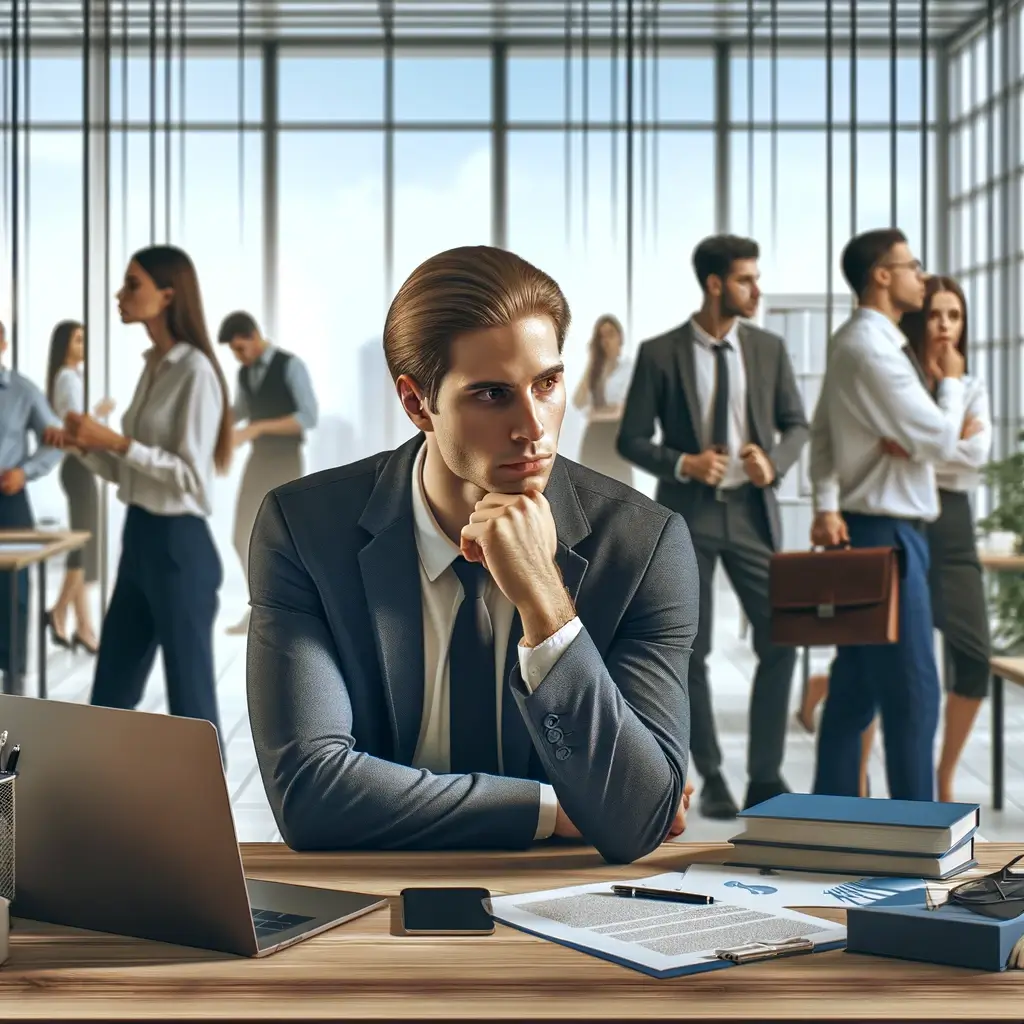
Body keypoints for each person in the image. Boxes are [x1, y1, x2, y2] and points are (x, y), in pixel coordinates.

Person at [246, 245, 698, 861]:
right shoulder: (305, 530)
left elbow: (639, 818)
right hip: (367, 898)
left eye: (548, 383)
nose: (534, 428)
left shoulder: (644, 545)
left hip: (566, 906)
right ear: (416, 403)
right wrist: (547, 807)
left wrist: (545, 602)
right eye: (492, 394)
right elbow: (311, 794)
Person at [616, 234, 808, 819]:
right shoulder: (660, 352)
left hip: (751, 514)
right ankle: (713, 774)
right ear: (716, 284)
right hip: (688, 515)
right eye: (748, 279)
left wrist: (772, 462)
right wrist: (683, 463)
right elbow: (630, 438)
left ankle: (766, 776)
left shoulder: (769, 350)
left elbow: (797, 423)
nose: (758, 289)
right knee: (689, 650)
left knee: (781, 639)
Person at [805, 277, 992, 803]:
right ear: (885, 278)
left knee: (854, 691)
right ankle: (918, 834)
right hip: (890, 533)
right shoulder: (882, 356)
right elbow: (940, 439)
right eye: (933, 310)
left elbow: (963, 452)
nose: (943, 324)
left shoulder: (859, 346)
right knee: (913, 693)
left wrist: (914, 446)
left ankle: (830, 822)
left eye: (953, 315)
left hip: (883, 530)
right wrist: (948, 394)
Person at [45, 245, 233, 756]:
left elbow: (192, 480)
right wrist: (84, 447)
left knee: (192, 709)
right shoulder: (153, 367)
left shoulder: (194, 371)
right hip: (141, 539)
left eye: (132, 284)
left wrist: (116, 442)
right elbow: (129, 471)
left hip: (179, 549)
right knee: (111, 695)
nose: (120, 294)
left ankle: (207, 829)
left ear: (167, 295)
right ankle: (97, 816)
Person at [218, 311, 318, 635]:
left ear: (255, 335)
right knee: (241, 534)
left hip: (285, 458)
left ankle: (289, 612)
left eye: (240, 349)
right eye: (233, 351)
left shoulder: (290, 366)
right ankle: (259, 607)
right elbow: (241, 411)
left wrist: (257, 428)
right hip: (258, 459)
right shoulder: (245, 374)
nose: (239, 357)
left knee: (281, 537)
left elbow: (307, 417)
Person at [44, 319, 115, 655]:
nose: (83, 346)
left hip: (79, 467)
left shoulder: (72, 378)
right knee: (83, 546)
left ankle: (84, 627)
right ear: (64, 345)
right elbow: (76, 433)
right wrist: (98, 418)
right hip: (78, 466)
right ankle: (59, 611)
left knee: (84, 546)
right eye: (77, 340)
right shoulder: (67, 379)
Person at [0, 320, 62, 694]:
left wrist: (25, 472)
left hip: (8, 502)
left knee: (13, 594)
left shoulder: (23, 391)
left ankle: (14, 684)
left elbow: (53, 439)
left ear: (3, 344)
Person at [572, 314, 635, 487]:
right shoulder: (595, 372)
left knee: (621, 493)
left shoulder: (628, 369)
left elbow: (623, 411)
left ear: (620, 338)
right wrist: (591, 362)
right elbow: (578, 402)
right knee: (590, 492)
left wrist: (595, 414)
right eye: (601, 336)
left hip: (616, 439)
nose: (606, 340)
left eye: (611, 334)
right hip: (593, 439)